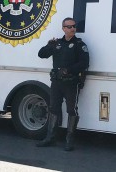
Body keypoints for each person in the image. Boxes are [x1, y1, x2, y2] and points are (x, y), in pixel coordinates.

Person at [37, 17, 89, 151]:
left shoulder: (79, 44)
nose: (73, 28)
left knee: (71, 110)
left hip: (71, 83)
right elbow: (41, 54)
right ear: (63, 29)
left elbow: (84, 63)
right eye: (69, 26)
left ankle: (69, 139)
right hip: (56, 82)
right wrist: (49, 46)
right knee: (53, 108)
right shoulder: (57, 43)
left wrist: (68, 70)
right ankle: (50, 137)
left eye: (74, 26)